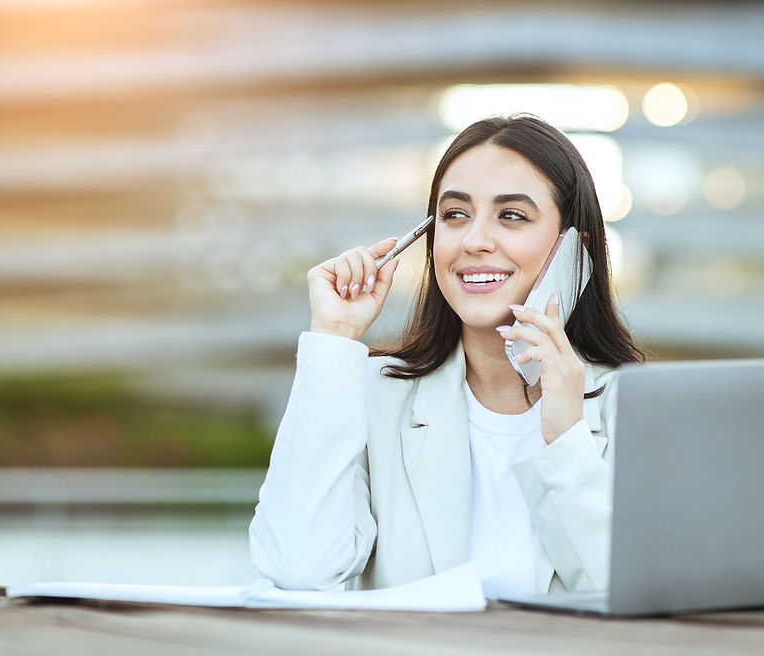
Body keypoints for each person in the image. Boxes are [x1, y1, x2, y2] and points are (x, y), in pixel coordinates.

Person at [248, 114, 644, 596]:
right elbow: (298, 567)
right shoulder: (378, 395)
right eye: (455, 215)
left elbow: (632, 595)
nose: (474, 241)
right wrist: (333, 337)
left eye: (511, 215)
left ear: (576, 250)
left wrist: (566, 439)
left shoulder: (635, 408)